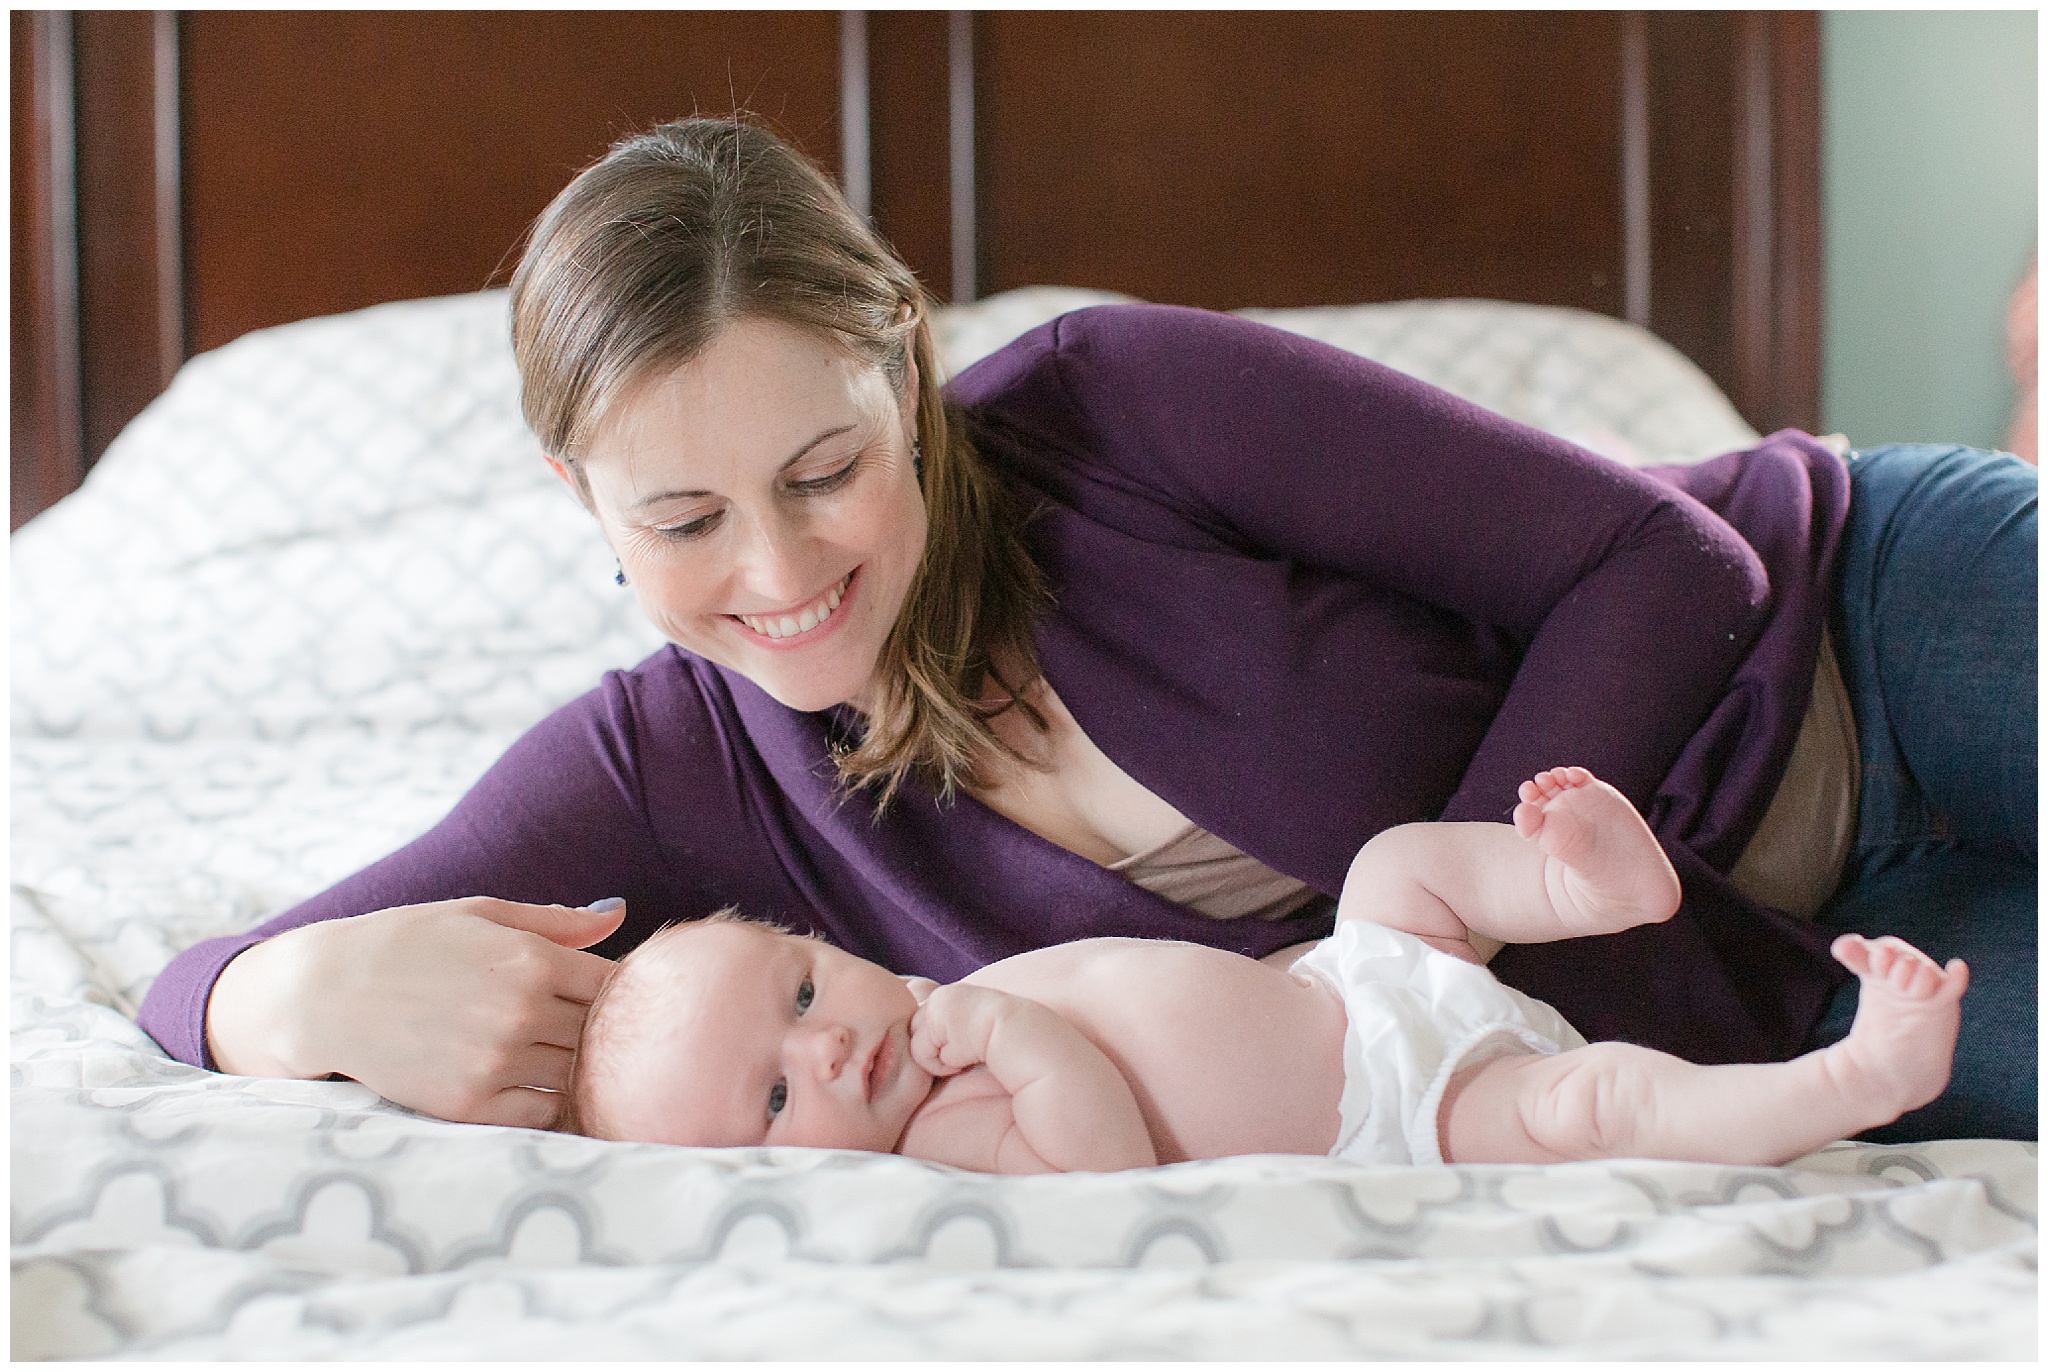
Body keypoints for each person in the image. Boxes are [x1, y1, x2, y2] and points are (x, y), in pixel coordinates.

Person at [134, 115, 2035, 1143]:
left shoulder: (1111, 407)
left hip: (1866, 626)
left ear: (904, 361)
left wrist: (1455, 939)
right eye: (686, 521)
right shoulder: (663, 772)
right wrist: (268, 997)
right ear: (586, 510)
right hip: (1797, 988)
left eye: (823, 469)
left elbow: (1669, 574)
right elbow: (194, 986)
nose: (779, 570)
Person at [571, 767, 1966, 1172]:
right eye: (772, 1101)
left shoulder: (930, 1017)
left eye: (803, 994)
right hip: (1396, 1119)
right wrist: (1014, 1039)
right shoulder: (949, 1129)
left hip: (1348, 989)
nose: (825, 1050)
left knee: (1396, 866)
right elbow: (1103, 1165)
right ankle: (1841, 1082)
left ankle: (1586, 885)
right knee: (1593, 1106)